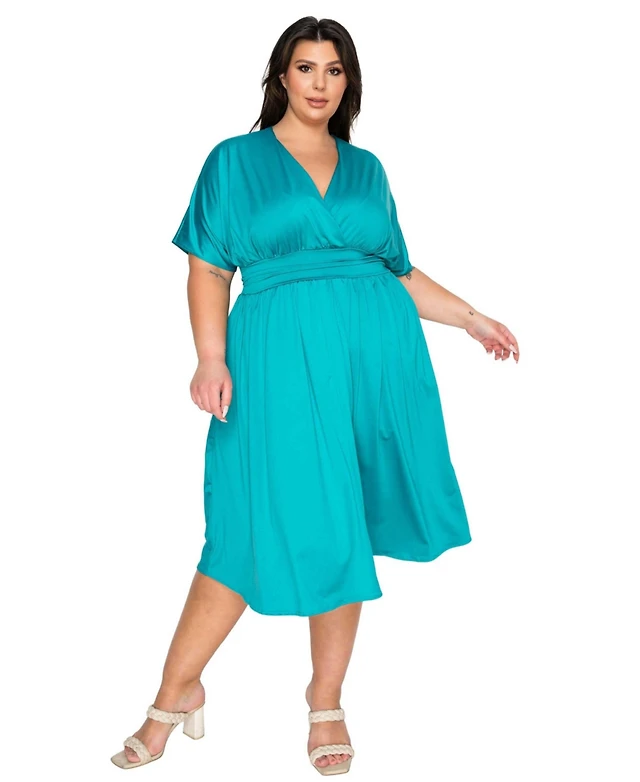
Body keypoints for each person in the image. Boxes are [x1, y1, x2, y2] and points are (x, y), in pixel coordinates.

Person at [111, 15, 520, 776]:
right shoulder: (234, 161)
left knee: (344, 521)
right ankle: (175, 690)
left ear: (348, 82)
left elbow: (397, 270)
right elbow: (207, 267)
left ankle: (325, 699)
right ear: (281, 76)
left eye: (335, 70)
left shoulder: (367, 169)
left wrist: (471, 318)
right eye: (306, 68)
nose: (320, 84)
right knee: (242, 527)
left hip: (373, 363)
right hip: (274, 362)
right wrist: (210, 358)